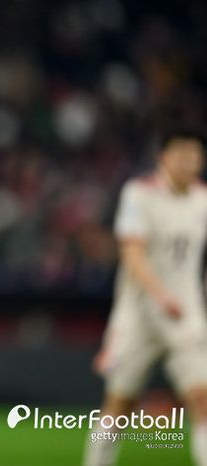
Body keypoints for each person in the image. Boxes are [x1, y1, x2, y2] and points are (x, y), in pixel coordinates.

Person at [84, 128, 207, 466]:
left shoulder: (202, 199)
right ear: (163, 157)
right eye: (180, 154)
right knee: (119, 405)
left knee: (202, 398)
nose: (187, 162)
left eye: (194, 155)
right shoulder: (139, 194)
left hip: (185, 315)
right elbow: (132, 252)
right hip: (139, 315)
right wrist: (161, 295)